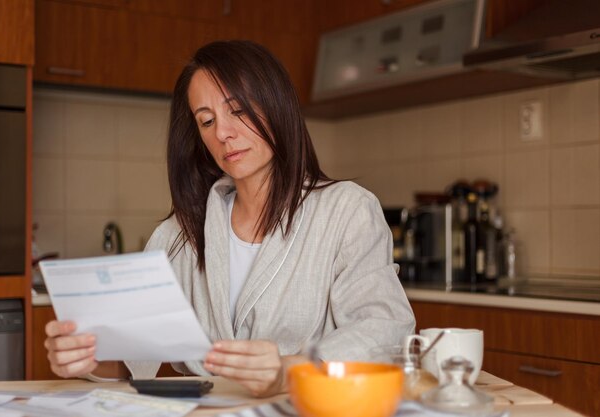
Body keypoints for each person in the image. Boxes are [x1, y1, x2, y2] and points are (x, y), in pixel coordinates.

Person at [44, 40, 415, 397]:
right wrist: (87, 359)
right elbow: (130, 360)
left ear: (276, 104)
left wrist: (291, 371)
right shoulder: (178, 234)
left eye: (237, 111)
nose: (223, 133)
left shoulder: (346, 210)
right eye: (206, 121)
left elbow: (384, 328)